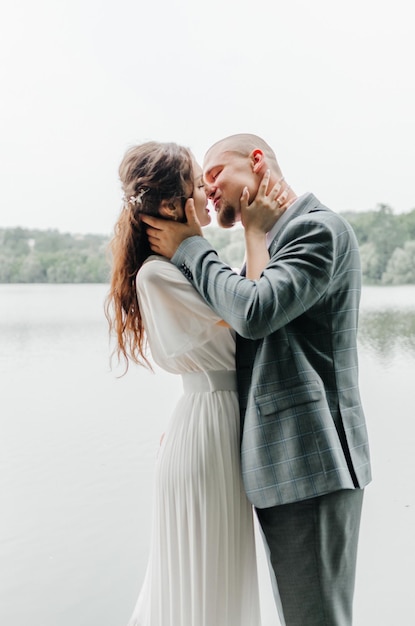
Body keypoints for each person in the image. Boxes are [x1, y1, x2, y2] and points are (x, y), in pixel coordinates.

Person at [141, 133, 372, 626]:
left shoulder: (317, 230)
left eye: (214, 174)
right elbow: (240, 355)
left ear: (257, 161)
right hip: (276, 466)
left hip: (311, 463)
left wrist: (189, 247)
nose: (206, 191)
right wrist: (191, 419)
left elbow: (255, 312)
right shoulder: (263, 252)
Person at [105, 141, 287, 626]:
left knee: (218, 575)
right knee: (202, 579)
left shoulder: (183, 269)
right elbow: (250, 314)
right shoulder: (158, 275)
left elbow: (241, 306)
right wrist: (254, 232)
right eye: (195, 182)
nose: (208, 191)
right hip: (207, 431)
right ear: (170, 206)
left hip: (217, 424)